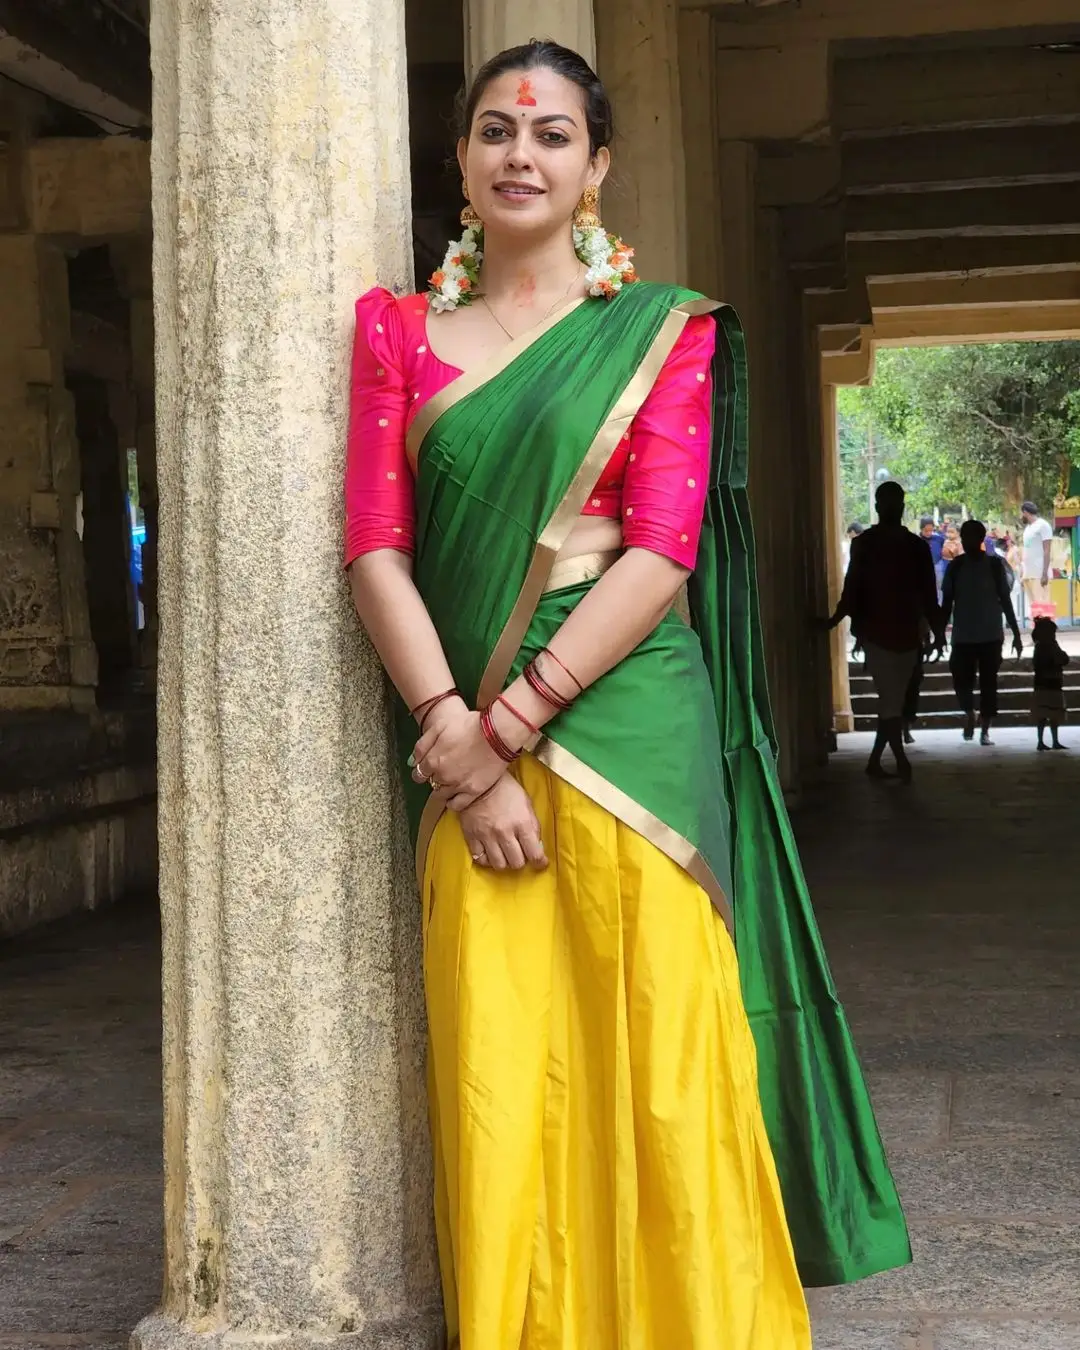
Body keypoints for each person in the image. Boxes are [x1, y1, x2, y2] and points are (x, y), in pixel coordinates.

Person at [344, 40, 909, 1348]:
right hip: (458, 732)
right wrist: (451, 735)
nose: (520, 155)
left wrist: (512, 724)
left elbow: (659, 550)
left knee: (662, 1063)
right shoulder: (397, 334)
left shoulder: (662, 332)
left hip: (627, 726)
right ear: (463, 159)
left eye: (551, 136)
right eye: (495, 131)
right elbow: (375, 544)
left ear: (596, 166)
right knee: (504, 1069)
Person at [827, 481, 942, 781]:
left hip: (888, 634)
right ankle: (899, 760)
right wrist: (938, 631)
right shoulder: (911, 546)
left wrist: (836, 620)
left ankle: (878, 761)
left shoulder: (871, 544)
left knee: (891, 701)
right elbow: (927, 594)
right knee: (893, 700)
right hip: (894, 634)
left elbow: (854, 590)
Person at [941, 519, 1023, 746]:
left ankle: (985, 730)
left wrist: (1016, 633)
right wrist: (939, 633)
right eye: (964, 538)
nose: (967, 542)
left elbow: (1006, 600)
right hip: (964, 634)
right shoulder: (955, 566)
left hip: (989, 635)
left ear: (980, 540)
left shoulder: (995, 565)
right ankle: (969, 712)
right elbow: (946, 602)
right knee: (960, 678)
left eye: (971, 538)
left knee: (989, 683)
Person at [1032, 616, 1070, 750]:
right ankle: (1043, 741)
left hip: (1050, 685)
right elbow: (1061, 659)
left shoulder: (1050, 646)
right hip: (1047, 685)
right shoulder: (1043, 648)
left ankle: (1051, 741)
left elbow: (1063, 659)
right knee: (1046, 715)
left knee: (1050, 715)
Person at [1021, 500, 1054, 620]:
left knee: (1044, 608)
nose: (1021, 517)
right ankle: (1037, 636)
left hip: (1039, 574)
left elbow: (1047, 550)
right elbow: (1026, 550)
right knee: (1034, 609)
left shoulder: (1043, 525)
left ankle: (1046, 636)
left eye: (1022, 514)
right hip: (1028, 574)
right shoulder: (1028, 529)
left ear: (1025, 512)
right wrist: (1022, 573)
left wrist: (1044, 573)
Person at [920, 515, 946, 597]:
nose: (929, 533)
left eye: (931, 530)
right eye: (926, 531)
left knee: (939, 586)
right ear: (921, 528)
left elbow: (945, 546)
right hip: (923, 566)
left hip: (937, 565)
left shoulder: (938, 539)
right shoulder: (917, 540)